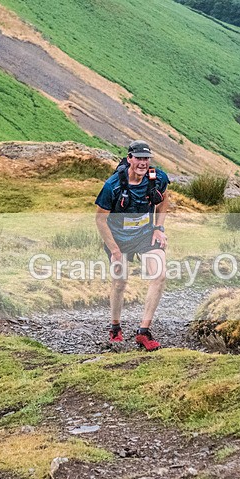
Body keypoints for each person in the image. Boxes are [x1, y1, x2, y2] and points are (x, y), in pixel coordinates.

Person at [95, 140, 169, 350]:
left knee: (159, 275)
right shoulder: (112, 186)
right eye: (138, 158)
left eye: (146, 158)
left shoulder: (157, 178)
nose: (143, 163)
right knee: (120, 282)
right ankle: (115, 327)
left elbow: (164, 200)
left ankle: (143, 331)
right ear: (129, 159)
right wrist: (115, 250)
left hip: (145, 235)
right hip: (118, 239)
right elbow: (100, 220)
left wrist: (158, 228)